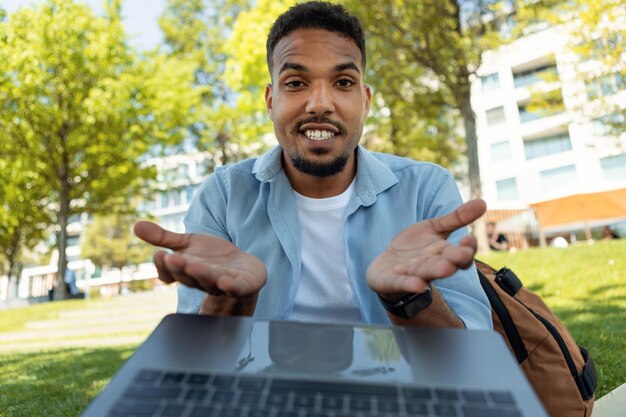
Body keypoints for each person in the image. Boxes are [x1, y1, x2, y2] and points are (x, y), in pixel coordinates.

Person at [134, 1, 491, 330]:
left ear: (365, 102)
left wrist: (410, 298)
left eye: (343, 82)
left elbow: (471, 349)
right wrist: (230, 301)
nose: (319, 104)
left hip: (396, 388)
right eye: (296, 83)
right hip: (263, 392)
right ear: (271, 101)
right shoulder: (223, 196)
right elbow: (198, 360)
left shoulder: (426, 189)